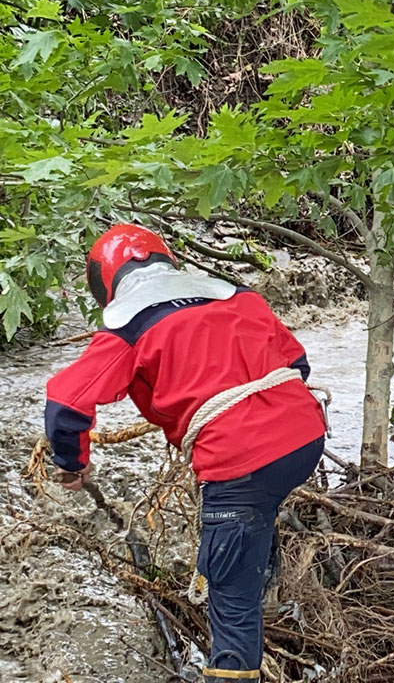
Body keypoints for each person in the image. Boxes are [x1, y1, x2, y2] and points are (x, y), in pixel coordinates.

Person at [45, 224, 327, 681]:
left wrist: (72, 464)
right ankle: (264, 571)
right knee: (256, 513)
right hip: (304, 440)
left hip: (238, 463)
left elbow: (64, 403)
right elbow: (296, 364)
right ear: (166, 259)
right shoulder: (237, 296)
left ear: (107, 280)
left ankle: (237, 650)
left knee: (231, 608)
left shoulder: (129, 327)